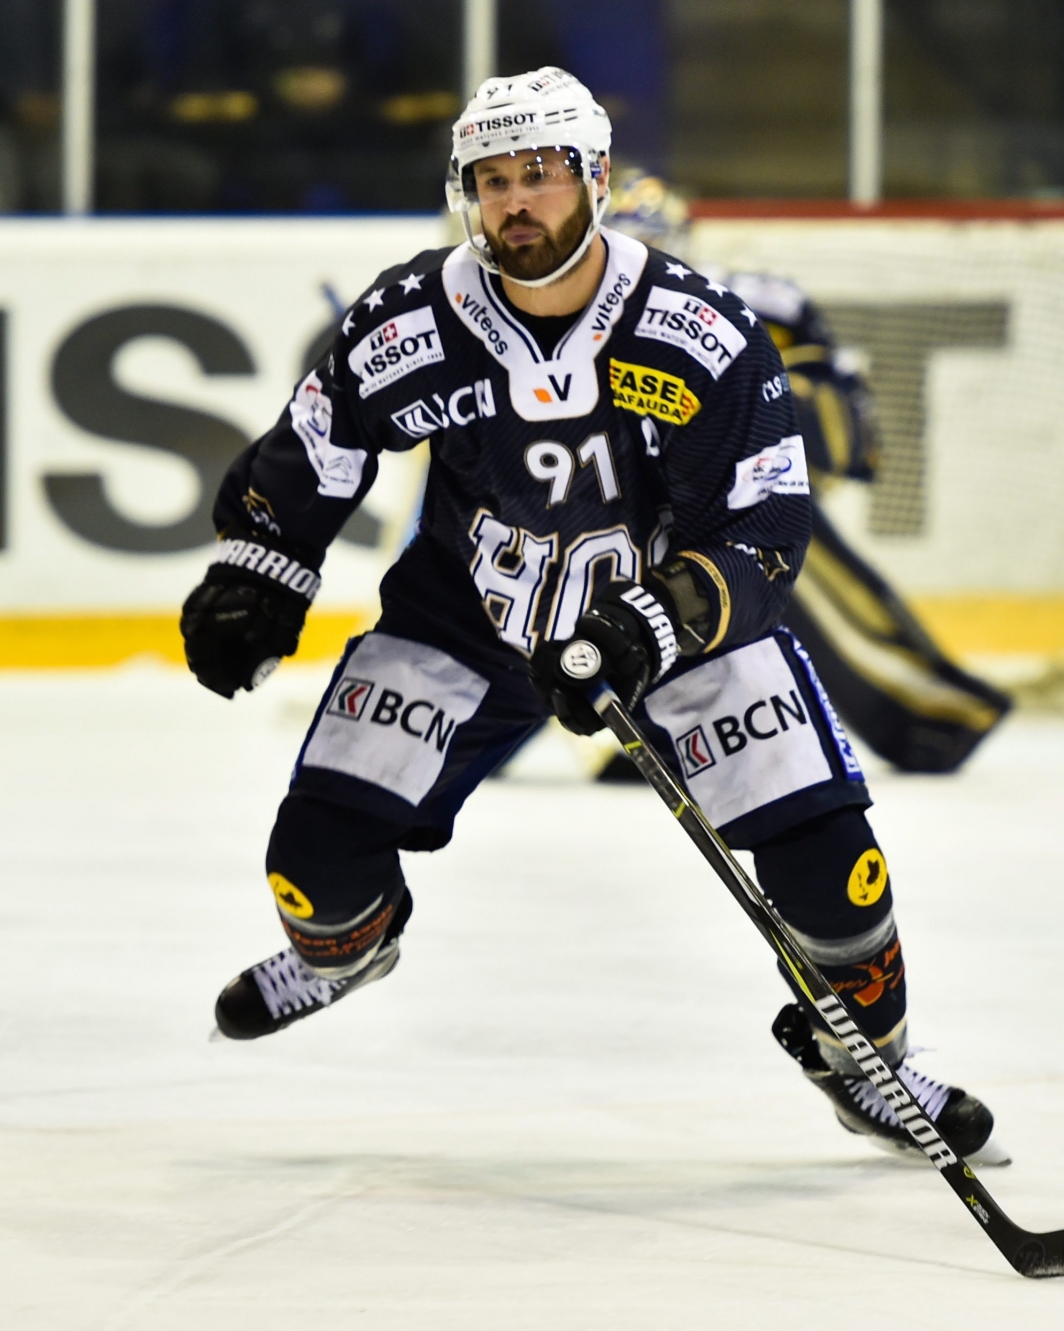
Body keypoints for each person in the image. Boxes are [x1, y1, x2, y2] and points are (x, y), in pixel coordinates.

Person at [180, 68, 997, 1159]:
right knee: (311, 864)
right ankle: (344, 953)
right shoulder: (414, 316)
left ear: (596, 179)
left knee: (834, 877)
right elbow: (319, 441)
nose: (516, 203)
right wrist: (259, 567)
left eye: (541, 176)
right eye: (492, 181)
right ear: (462, 192)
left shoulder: (698, 332)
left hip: (669, 630)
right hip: (467, 622)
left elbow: (764, 530)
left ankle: (871, 1063)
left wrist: (651, 623)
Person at [606, 171, 1014, 775]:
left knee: (770, 533)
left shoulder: (752, 307)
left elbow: (851, 433)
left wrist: (740, 410)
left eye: (649, 245)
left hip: (724, 503)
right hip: (586, 518)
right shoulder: (527, 331)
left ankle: (926, 715)